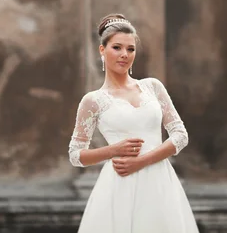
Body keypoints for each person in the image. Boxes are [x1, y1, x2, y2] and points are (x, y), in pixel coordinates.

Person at [68, 14, 199, 232]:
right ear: (103, 50)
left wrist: (143, 161)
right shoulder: (93, 101)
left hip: (160, 182)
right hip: (121, 184)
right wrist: (113, 150)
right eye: (117, 47)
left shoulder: (152, 87)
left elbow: (180, 135)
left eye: (130, 49)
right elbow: (75, 154)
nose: (124, 55)